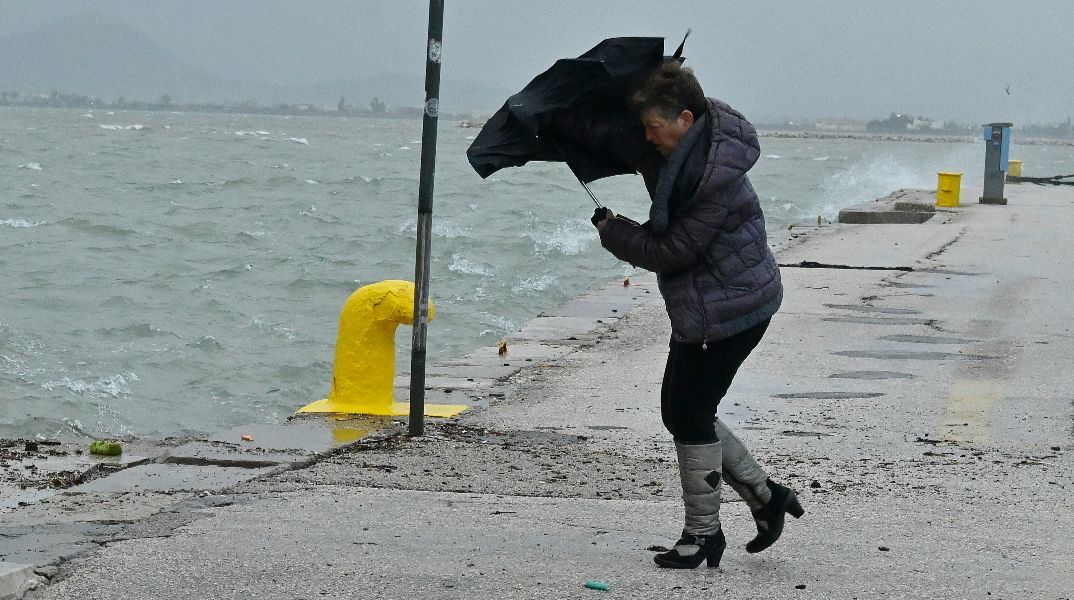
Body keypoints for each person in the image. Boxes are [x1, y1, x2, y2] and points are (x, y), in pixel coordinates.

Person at [591, 60, 804, 569]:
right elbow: (654, 170)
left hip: (728, 310)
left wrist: (613, 231)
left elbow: (674, 251)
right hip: (719, 303)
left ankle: (705, 533)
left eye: (654, 127)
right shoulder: (691, 151)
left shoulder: (711, 175)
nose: (649, 137)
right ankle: (765, 497)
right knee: (686, 410)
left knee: (686, 413)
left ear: (685, 119)